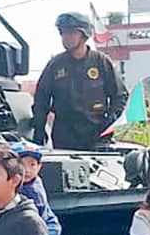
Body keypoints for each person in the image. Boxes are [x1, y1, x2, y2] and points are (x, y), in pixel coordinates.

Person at [30, 11, 127, 151]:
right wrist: (39, 128)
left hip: (96, 132)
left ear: (83, 35)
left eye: (71, 33)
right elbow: (41, 98)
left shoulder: (101, 62)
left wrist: (110, 121)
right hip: (64, 134)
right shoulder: (56, 64)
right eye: (63, 33)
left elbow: (120, 95)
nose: (66, 37)